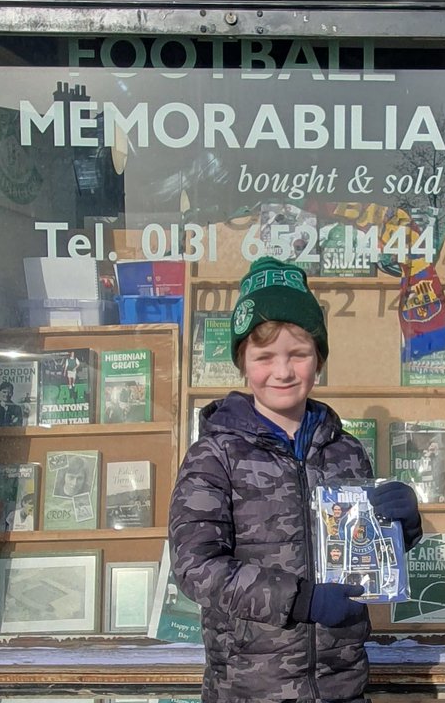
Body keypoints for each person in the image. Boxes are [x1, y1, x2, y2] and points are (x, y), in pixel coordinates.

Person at [169, 257, 423, 703]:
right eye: (264, 357)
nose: (282, 371)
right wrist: (299, 600)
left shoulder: (346, 450)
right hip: (249, 689)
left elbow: (362, 552)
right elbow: (197, 567)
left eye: (299, 354)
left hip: (341, 684)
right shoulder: (214, 456)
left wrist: (402, 530)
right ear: (243, 364)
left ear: (318, 360)